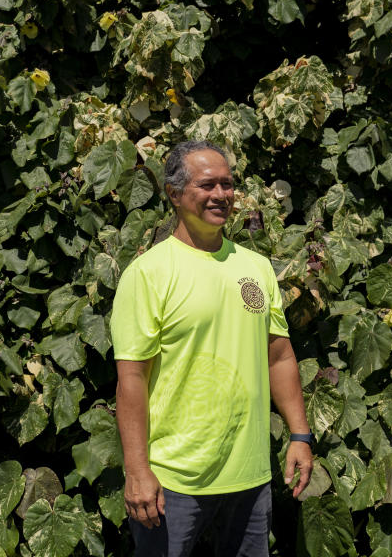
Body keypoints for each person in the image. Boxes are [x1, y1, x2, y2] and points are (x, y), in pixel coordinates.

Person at [110, 140, 313, 557]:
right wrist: (137, 471)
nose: (221, 195)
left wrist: (299, 434)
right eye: (207, 185)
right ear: (174, 194)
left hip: (249, 478)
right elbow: (131, 378)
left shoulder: (255, 268)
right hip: (173, 481)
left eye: (227, 184)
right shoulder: (148, 274)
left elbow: (279, 356)